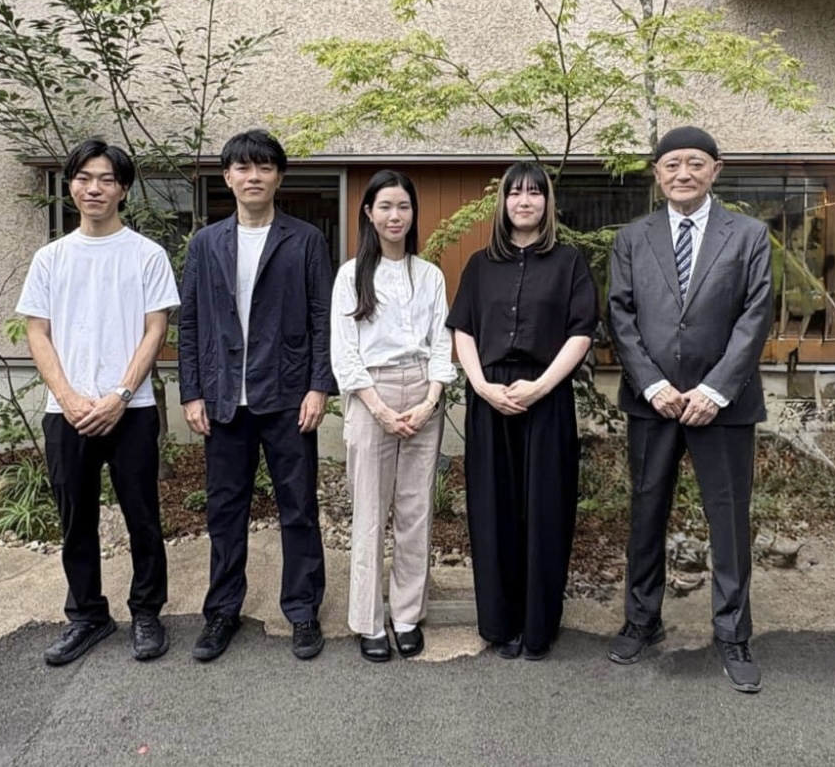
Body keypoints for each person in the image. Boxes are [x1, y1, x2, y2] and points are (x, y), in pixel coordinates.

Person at [606, 126, 773, 693]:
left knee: (728, 519)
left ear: (715, 170)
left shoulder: (748, 235)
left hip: (723, 407)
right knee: (646, 512)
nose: (684, 173)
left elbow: (756, 316)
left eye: (695, 163)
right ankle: (641, 619)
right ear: (657, 173)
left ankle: (732, 633)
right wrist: (652, 384)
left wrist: (714, 390)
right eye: (672, 163)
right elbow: (620, 315)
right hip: (652, 404)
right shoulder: (633, 238)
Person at [16, 139, 180, 666]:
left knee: (143, 516)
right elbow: (37, 332)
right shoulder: (50, 258)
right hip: (66, 412)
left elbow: (156, 330)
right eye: (84, 178)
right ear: (70, 186)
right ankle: (87, 615)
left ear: (123, 189)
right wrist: (67, 397)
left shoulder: (147, 255)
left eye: (106, 179)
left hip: (131, 410)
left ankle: (147, 611)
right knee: (75, 518)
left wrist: (121, 394)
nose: (94, 188)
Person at [178, 129, 334, 662]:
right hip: (223, 398)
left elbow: (322, 318)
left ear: (278, 178)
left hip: (288, 396)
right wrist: (192, 392)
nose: (253, 177)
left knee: (299, 507)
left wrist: (319, 385)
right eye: (243, 168)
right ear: (227, 177)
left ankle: (303, 609)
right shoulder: (205, 244)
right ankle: (222, 610)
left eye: (264, 167)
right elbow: (191, 322)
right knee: (225, 510)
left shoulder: (305, 240)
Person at [446, 162, 597, 661]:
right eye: (515, 193)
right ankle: (500, 624)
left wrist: (541, 387)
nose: (524, 201)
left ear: (547, 202)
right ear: (504, 203)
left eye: (534, 193)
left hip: (546, 398)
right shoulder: (479, 265)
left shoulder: (569, 262)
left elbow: (581, 332)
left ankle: (538, 627)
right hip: (489, 396)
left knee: (545, 511)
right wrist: (481, 385)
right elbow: (463, 330)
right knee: (493, 511)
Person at [330, 170, 456, 662]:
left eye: (403, 206)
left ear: (413, 213)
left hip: (423, 390)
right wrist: (380, 409)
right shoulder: (350, 276)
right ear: (368, 213)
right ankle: (368, 619)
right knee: (369, 511)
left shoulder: (429, 275)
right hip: (371, 394)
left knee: (415, 510)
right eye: (385, 206)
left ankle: (406, 614)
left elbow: (442, 341)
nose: (395, 215)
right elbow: (345, 353)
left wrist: (430, 400)